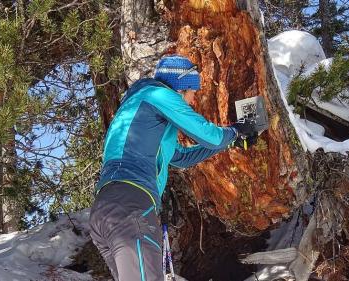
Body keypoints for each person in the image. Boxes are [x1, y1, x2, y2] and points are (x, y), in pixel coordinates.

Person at [89, 55, 258, 281]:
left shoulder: (139, 109)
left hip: (106, 211)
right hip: (130, 206)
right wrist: (236, 130)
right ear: (180, 87)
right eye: (192, 92)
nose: (192, 100)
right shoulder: (158, 95)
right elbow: (209, 135)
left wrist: (230, 141)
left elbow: (181, 157)